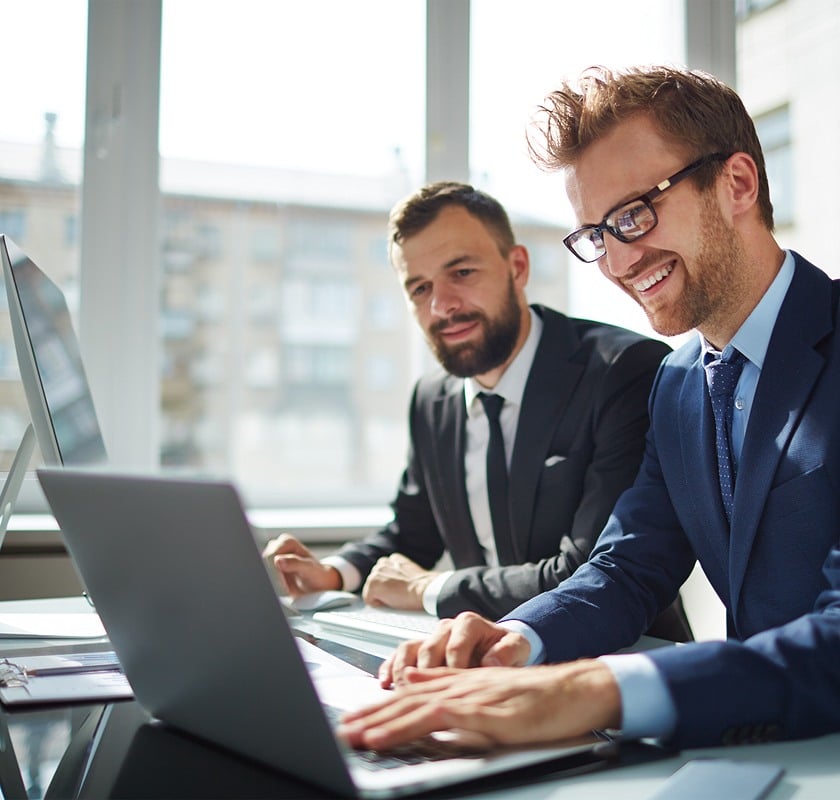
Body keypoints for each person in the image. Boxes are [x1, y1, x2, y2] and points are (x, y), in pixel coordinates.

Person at [336, 65, 840, 754]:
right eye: (599, 234)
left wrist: (598, 688)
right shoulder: (679, 385)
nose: (618, 261)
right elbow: (628, 565)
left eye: (634, 214)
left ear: (738, 185)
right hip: (772, 748)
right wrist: (517, 640)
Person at [264, 181, 689, 640]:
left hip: (620, 662)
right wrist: (334, 572)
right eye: (420, 287)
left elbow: (588, 572)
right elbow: (412, 532)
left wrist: (432, 588)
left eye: (462, 273)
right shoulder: (432, 399)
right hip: (484, 663)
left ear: (517, 267)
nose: (441, 305)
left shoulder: (622, 372)